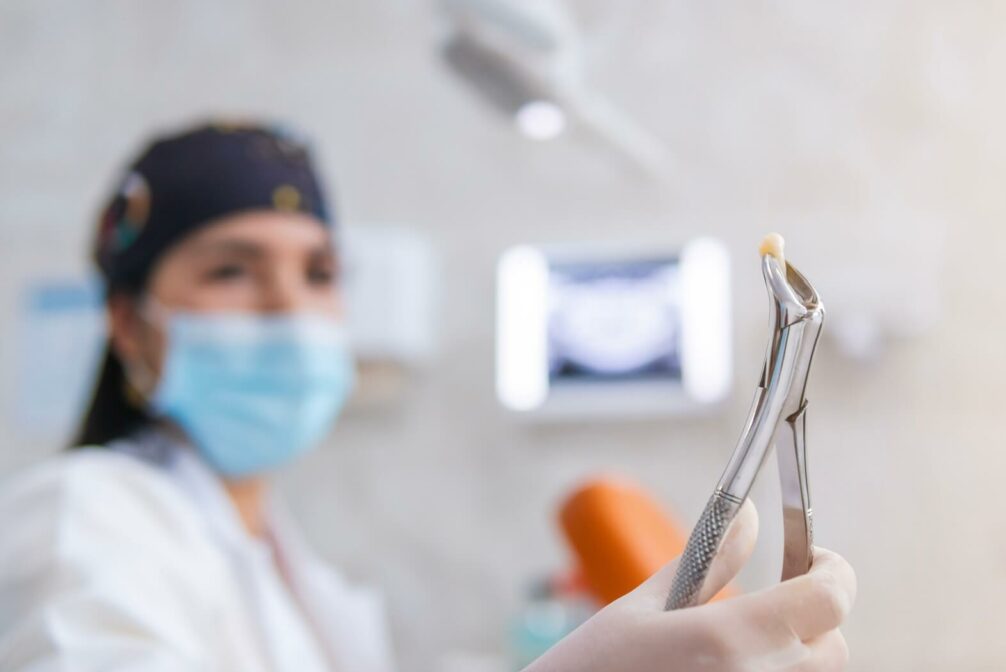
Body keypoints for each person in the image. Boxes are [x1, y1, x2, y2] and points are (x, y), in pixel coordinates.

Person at [0, 121, 855, 672]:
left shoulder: (290, 566)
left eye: (319, 272)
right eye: (232, 268)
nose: (289, 305)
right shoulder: (85, 518)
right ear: (127, 323)